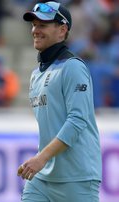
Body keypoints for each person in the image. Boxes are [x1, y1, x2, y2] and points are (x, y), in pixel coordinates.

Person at [17, 2, 102, 202]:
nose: (35, 30)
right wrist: (42, 161)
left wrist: (41, 158)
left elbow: (77, 120)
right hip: (43, 178)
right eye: (34, 25)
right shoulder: (36, 74)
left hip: (77, 177)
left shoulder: (73, 67)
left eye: (43, 25)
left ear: (62, 30)